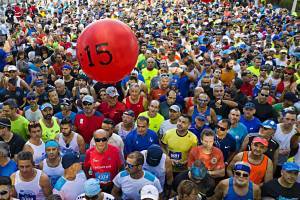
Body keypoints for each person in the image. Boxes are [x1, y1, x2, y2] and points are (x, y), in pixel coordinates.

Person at [84, 129, 123, 193]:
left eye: (103, 139)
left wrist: (117, 185)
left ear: (107, 139)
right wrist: (91, 181)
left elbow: (121, 168)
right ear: (94, 140)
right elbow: (86, 169)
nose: (101, 142)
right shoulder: (89, 152)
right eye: (98, 140)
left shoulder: (115, 151)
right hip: (96, 187)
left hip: (112, 186)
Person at [273, 110, 297, 176]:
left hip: (286, 164)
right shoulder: (275, 128)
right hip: (272, 160)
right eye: (287, 119)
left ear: (295, 121)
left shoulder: (296, 132)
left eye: (292, 120)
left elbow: (297, 148)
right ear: (283, 119)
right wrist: (278, 152)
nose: (290, 122)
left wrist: (290, 150)